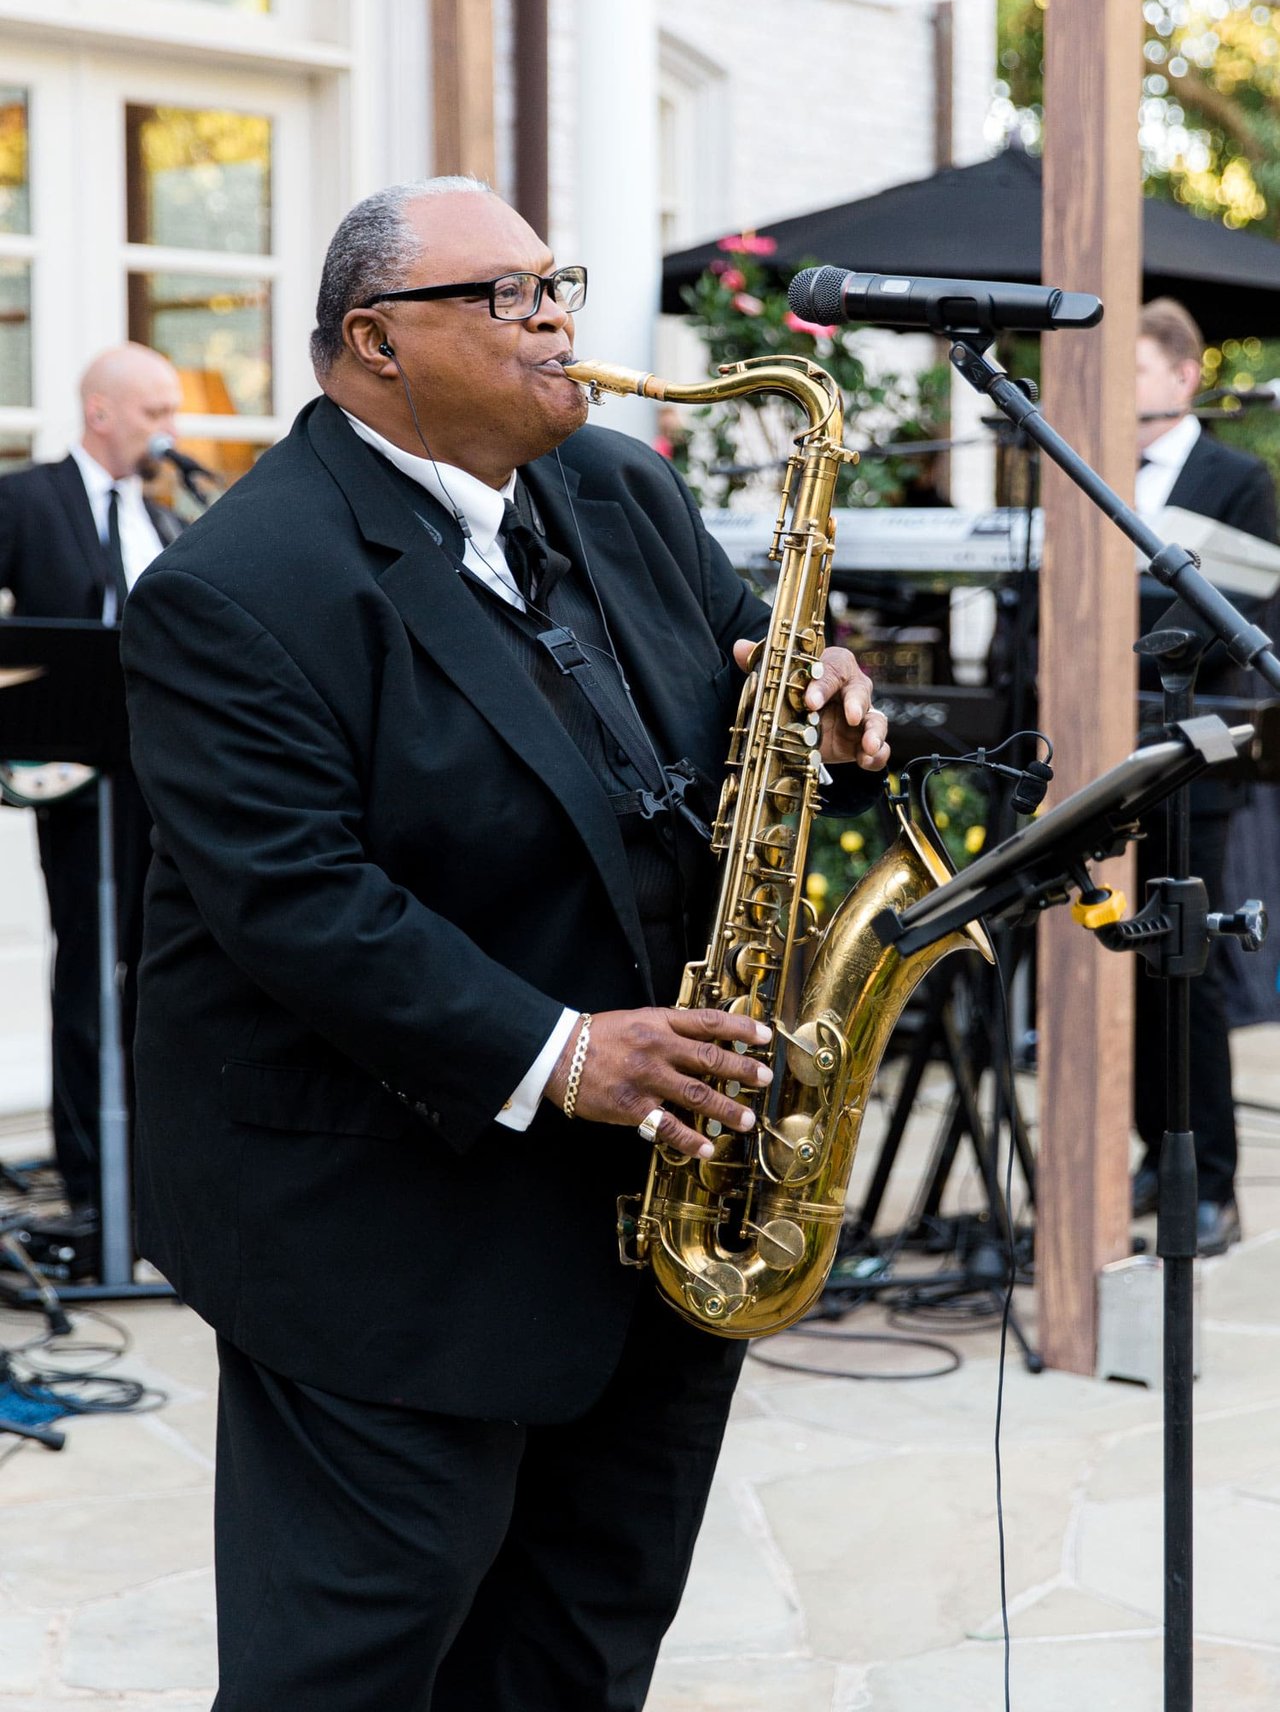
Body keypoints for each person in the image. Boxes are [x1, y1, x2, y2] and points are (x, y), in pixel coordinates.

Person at [120, 178, 890, 1712]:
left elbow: (747, 664)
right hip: (385, 1234)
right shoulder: (234, 588)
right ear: (373, 342)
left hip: (658, 1203)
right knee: (350, 1669)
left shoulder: (622, 491)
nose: (556, 321)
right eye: (508, 295)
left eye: (560, 285)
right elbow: (298, 900)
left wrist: (818, 696)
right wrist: (567, 1053)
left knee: (580, 1651)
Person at [0, 344, 184, 1233]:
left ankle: (153, 1176)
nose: (169, 430)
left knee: (160, 972)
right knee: (87, 970)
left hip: (164, 779)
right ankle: (87, 1183)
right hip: (77, 778)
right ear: (102, 411)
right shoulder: (29, 497)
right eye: (154, 411)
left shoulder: (167, 516)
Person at [1131, 297, 1278, 1254]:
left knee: (1191, 963)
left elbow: (1249, 599)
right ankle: (1152, 1145)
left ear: (1184, 378)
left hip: (1195, 757)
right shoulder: (1088, 469)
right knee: (1129, 960)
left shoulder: (1237, 475)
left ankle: (1212, 1178)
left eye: (1136, 373)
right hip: (1096, 746)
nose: (1123, 393)